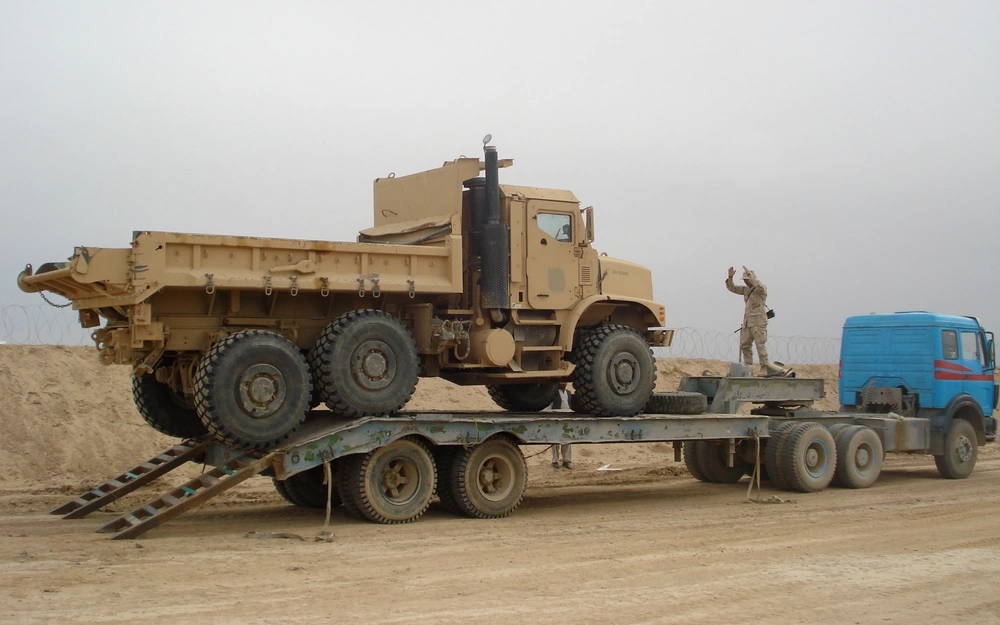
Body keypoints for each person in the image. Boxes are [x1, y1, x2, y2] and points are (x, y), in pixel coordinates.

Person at [725, 265, 787, 377]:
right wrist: (730, 278)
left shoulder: (760, 290)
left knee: (760, 345)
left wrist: (752, 277)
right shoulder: (746, 290)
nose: (746, 282)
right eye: (744, 280)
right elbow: (732, 288)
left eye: (747, 280)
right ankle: (748, 368)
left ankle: (764, 367)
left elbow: (761, 286)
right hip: (748, 322)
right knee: (745, 345)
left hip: (758, 322)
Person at [548, 385, 573, 468]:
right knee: (555, 442)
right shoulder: (553, 393)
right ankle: (555, 461)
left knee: (567, 440)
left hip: (566, 420)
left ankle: (566, 460)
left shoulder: (569, 393)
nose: (564, 383)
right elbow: (549, 407)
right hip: (556, 420)